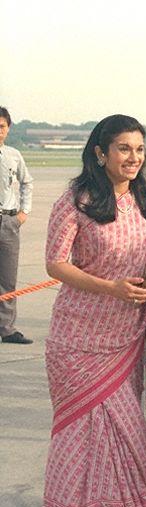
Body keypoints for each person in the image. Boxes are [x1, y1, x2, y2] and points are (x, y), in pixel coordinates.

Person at [43, 114, 146, 507]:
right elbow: (55, 263)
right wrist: (111, 289)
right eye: (123, 149)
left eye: (138, 149)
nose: (133, 158)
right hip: (76, 341)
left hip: (126, 341)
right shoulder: (76, 201)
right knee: (81, 433)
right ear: (101, 153)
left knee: (125, 433)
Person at [0, 106, 34, 345]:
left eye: (1, 127)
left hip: (9, 221)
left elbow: (26, 182)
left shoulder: (14, 155)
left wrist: (24, 213)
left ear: (8, 128)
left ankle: (6, 328)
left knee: (7, 279)